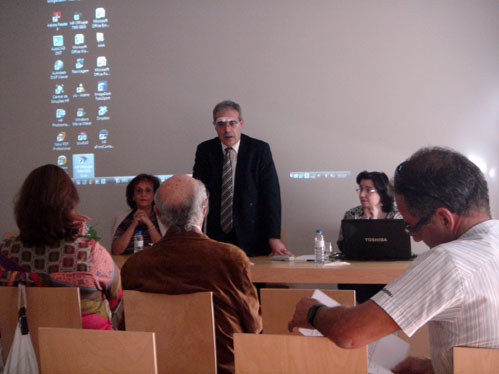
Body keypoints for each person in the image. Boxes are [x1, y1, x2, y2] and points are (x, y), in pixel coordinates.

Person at [288, 147, 499, 374]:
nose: (415, 237)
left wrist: (313, 312)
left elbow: (350, 334)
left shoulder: (449, 260)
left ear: (444, 218)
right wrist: (433, 366)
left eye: (412, 226)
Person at [121, 174, 262, 374]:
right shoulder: (230, 258)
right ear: (205, 208)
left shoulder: (135, 266)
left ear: (156, 213)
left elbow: (128, 328)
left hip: (155, 368)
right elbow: (253, 327)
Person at [0, 164, 122, 330]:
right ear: (70, 204)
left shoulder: (5, 252)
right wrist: (80, 237)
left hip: (26, 350)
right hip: (91, 349)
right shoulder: (90, 253)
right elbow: (116, 298)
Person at [193, 100, 293, 257]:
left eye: (232, 123)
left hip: (253, 235)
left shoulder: (259, 150)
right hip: (217, 235)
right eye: (221, 124)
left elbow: (271, 195)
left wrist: (274, 237)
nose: (227, 129)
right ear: (214, 125)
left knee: (253, 280)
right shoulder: (205, 151)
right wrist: (195, 232)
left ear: (241, 123)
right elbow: (197, 194)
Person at [337, 170, 402, 303]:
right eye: (360, 189)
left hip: (388, 271)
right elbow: (343, 246)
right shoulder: (352, 214)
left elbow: (399, 248)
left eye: (368, 190)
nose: (362, 194)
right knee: (347, 281)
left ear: (382, 193)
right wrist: (364, 222)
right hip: (357, 271)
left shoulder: (395, 215)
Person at [111, 173, 167, 254]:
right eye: (139, 191)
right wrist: (133, 225)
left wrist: (149, 223)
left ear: (154, 195)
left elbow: (163, 250)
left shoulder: (163, 217)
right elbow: (116, 251)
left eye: (148, 191)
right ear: (133, 196)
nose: (143, 194)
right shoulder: (122, 218)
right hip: (128, 263)